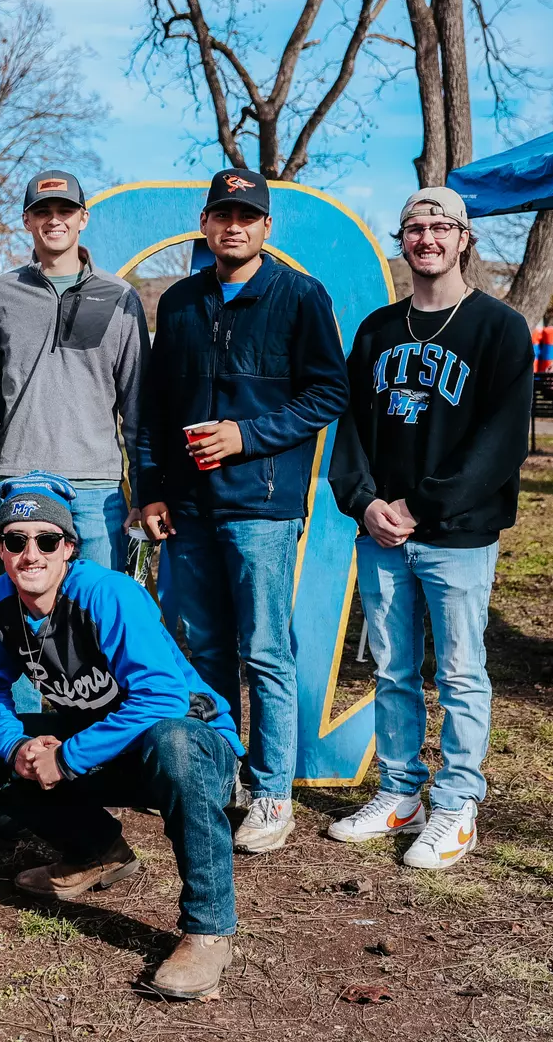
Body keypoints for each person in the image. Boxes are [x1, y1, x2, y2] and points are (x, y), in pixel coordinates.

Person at [0, 471, 244, 1000]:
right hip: (103, 743)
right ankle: (97, 852)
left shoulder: (109, 594)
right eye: (15, 541)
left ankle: (209, 928)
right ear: (0, 549)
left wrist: (68, 758)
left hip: (190, 741)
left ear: (68, 547)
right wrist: (18, 746)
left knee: (173, 741)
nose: (30, 555)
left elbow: (162, 700)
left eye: (46, 541)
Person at [136, 170, 349, 854]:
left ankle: (271, 793)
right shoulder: (180, 301)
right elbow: (156, 407)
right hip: (188, 508)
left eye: (247, 216)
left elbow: (329, 393)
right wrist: (151, 488)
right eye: (223, 214)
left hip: (261, 506)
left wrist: (246, 437)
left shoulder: (300, 295)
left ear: (266, 227)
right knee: (203, 649)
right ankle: (219, 773)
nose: (234, 226)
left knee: (264, 651)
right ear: (205, 223)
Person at [327, 186, 533, 870]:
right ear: (403, 240)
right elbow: (350, 430)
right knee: (392, 670)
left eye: (441, 227)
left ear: (464, 239)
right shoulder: (378, 330)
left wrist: (420, 507)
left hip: (457, 535)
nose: (427, 238)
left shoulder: (499, 329)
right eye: (415, 227)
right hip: (382, 533)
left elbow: (501, 443)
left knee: (461, 672)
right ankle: (400, 793)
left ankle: (457, 804)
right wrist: (363, 503)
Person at [0, 170, 149, 570]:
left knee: (96, 602)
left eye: (65, 210)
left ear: (83, 218)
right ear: (27, 221)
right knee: (26, 604)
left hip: (97, 487)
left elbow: (138, 406)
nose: (54, 220)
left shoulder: (119, 296)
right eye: (43, 211)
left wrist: (142, 493)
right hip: (17, 481)